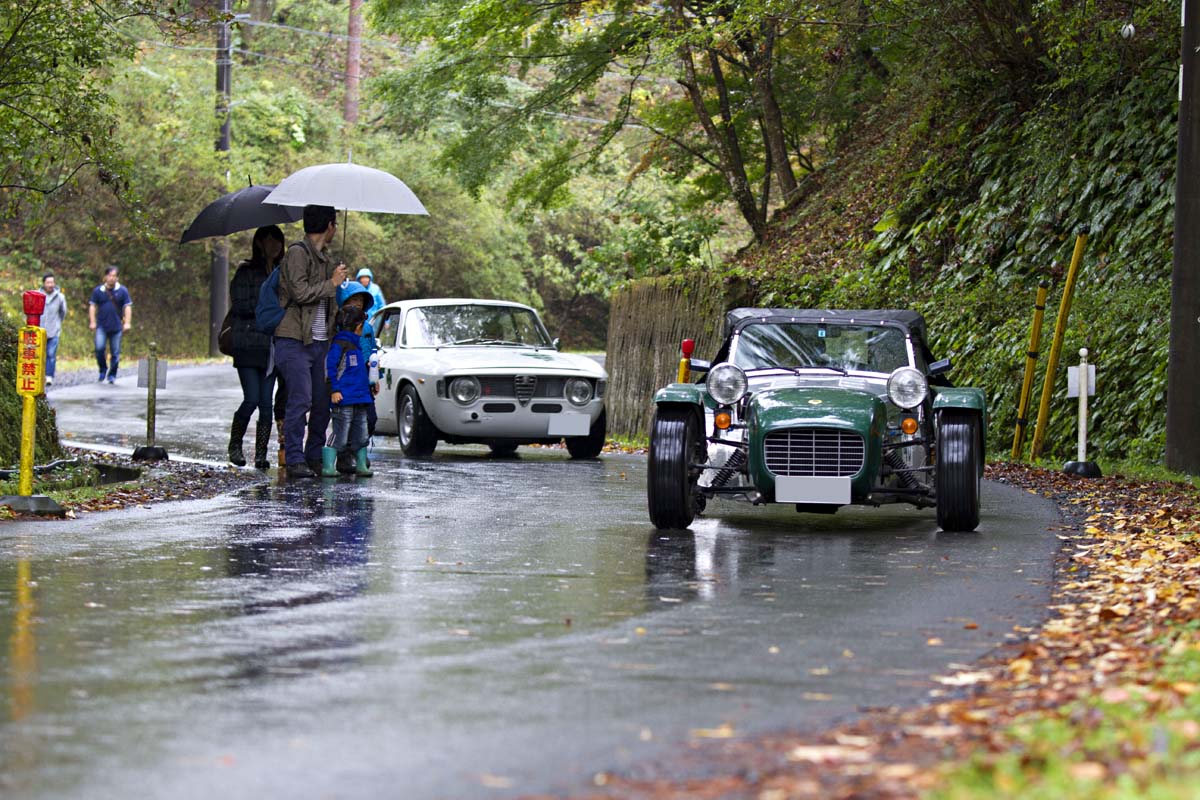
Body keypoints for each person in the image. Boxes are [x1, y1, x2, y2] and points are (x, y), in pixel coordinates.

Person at [272, 205, 349, 479]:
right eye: (335, 224)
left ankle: (314, 456)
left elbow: (330, 297)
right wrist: (331, 283)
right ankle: (294, 459)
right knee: (300, 399)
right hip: (294, 340)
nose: (336, 230)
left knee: (321, 402)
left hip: (321, 342)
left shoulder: (326, 258)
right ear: (329, 225)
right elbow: (300, 292)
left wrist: (340, 283)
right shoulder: (296, 253)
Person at [227, 225, 285, 469]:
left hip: (271, 347)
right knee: (251, 398)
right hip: (248, 344)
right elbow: (240, 305)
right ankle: (235, 444)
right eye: (269, 240)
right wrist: (269, 308)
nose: (274, 245)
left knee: (266, 404)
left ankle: (261, 454)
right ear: (259, 243)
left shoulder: (284, 273)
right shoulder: (246, 272)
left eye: (278, 240)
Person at [321, 305, 374, 478]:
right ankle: (328, 465)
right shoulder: (340, 344)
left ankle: (361, 465)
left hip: (360, 398)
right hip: (344, 398)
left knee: (361, 434)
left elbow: (358, 373)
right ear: (359, 326)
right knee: (341, 434)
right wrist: (334, 389)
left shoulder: (357, 346)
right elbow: (331, 368)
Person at [335, 281, 381, 438]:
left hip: (364, 379)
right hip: (345, 380)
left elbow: (372, 349)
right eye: (353, 300)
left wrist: (375, 378)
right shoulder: (338, 327)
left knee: (370, 418)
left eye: (360, 301)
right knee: (345, 419)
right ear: (344, 302)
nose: (357, 304)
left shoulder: (367, 327)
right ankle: (346, 454)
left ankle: (359, 448)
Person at [88, 266, 132, 384]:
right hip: (101, 325)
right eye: (110, 276)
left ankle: (112, 374)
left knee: (115, 352)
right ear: (105, 277)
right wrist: (92, 321)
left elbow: (127, 306)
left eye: (114, 276)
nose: (112, 278)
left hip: (117, 326)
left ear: (117, 278)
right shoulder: (98, 291)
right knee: (99, 348)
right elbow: (92, 306)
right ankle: (102, 369)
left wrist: (127, 322)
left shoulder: (122, 291)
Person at [39, 274, 67, 385]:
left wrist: (57, 323)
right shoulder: (38, 295)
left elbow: (63, 312)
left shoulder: (60, 297)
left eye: (52, 282)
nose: (50, 285)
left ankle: (49, 376)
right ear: (44, 283)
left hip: (54, 330)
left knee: (51, 354)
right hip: (40, 329)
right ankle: (40, 375)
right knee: (40, 354)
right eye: (48, 282)